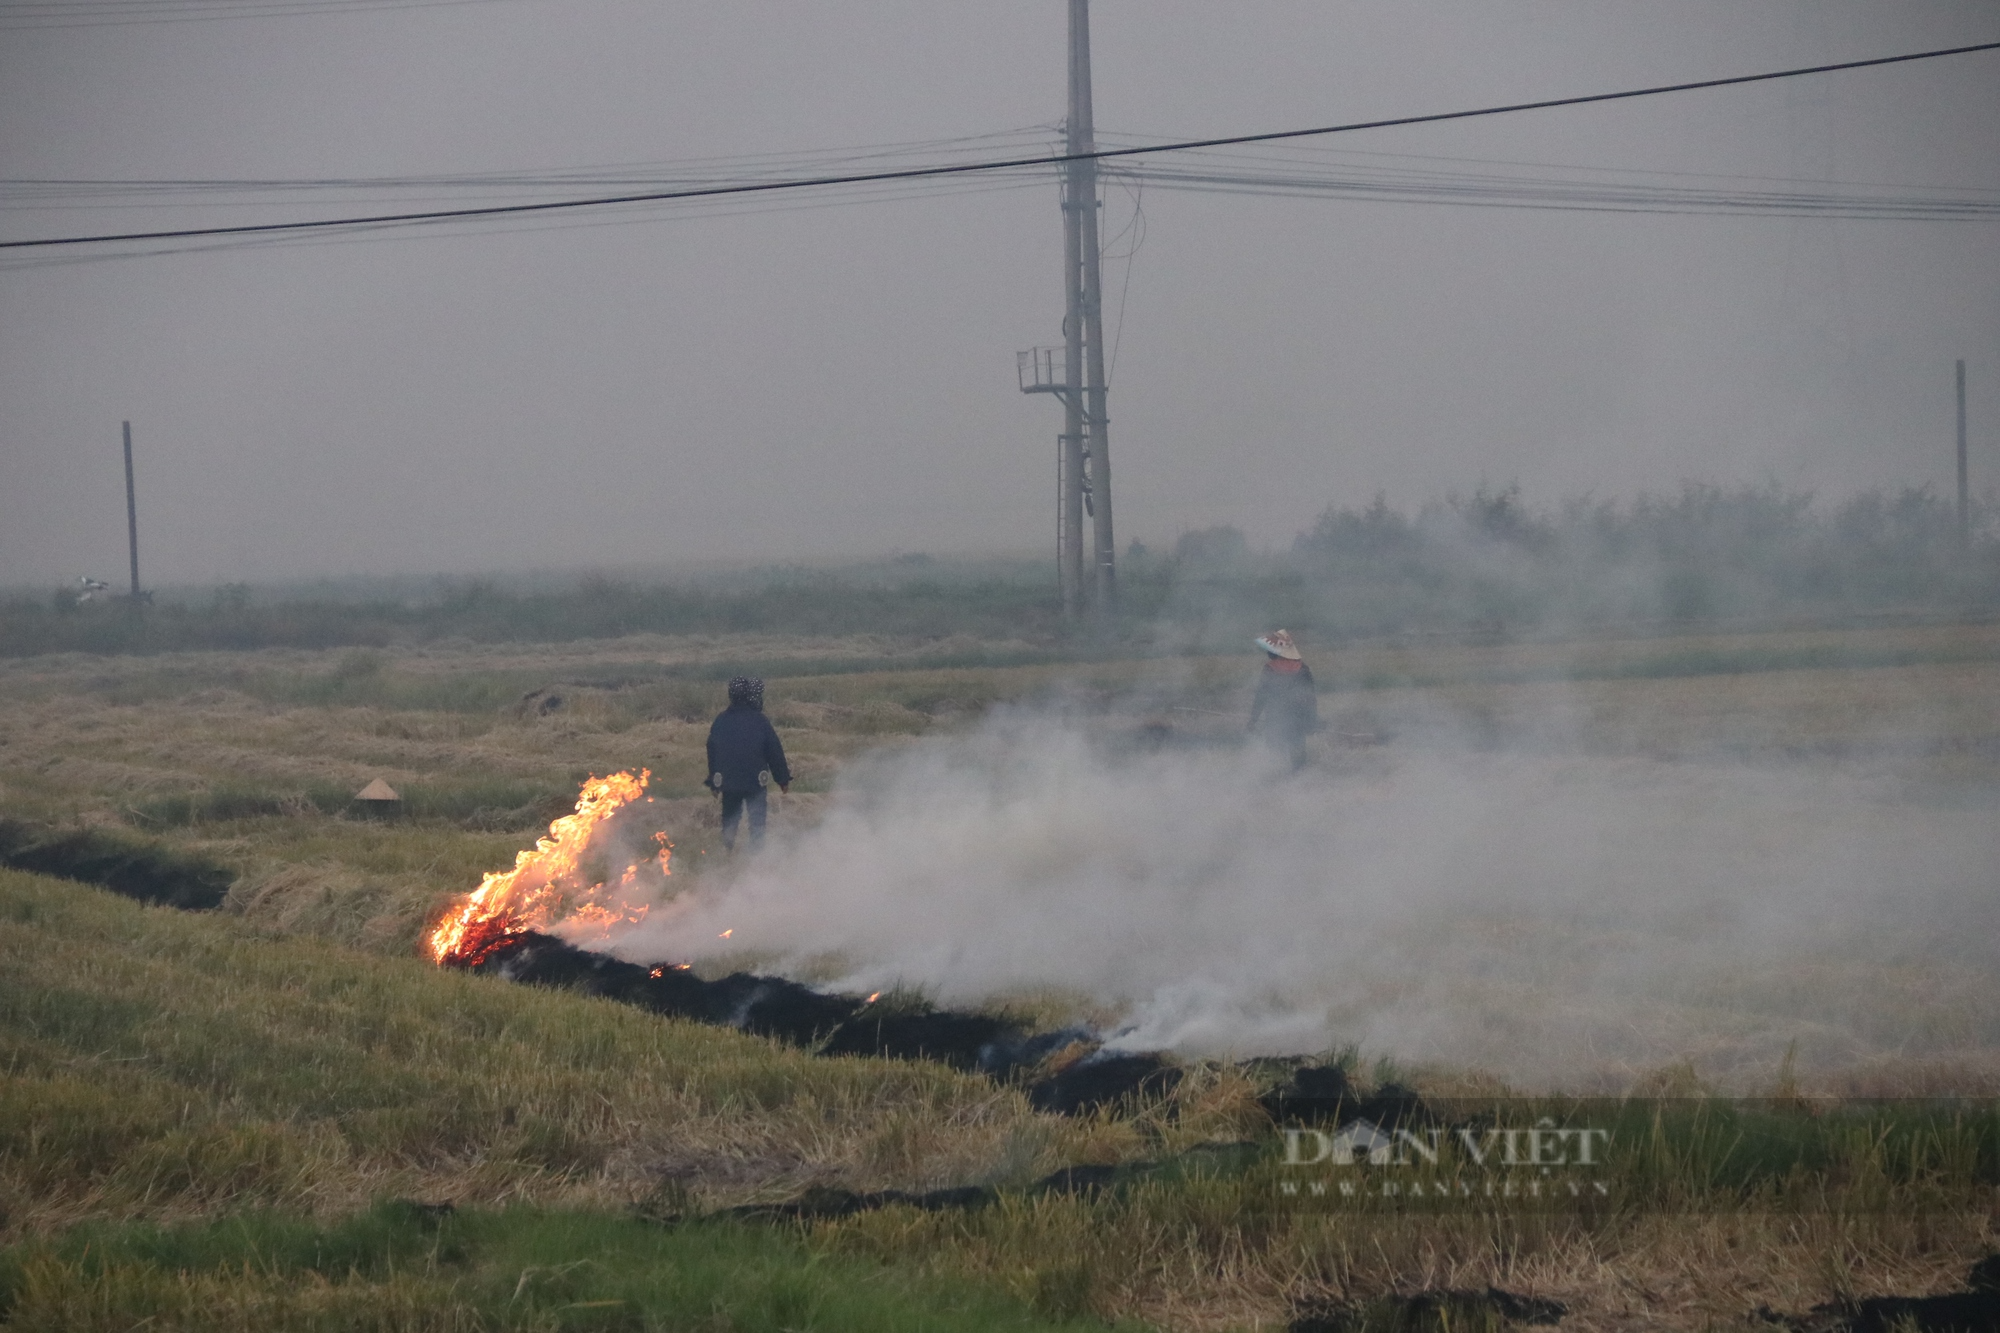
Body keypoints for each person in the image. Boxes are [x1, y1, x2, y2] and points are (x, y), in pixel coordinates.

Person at [706, 676, 791, 852]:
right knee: (757, 820)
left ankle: (726, 851)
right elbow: (774, 751)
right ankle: (756, 857)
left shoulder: (721, 720)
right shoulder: (760, 721)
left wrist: (715, 781)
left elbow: (712, 750)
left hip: (728, 781)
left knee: (730, 819)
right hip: (755, 781)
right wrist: (782, 779)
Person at [1247, 629, 1317, 770]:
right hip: (1299, 716)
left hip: (1276, 715)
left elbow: (1262, 695)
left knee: (1276, 748)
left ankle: (1281, 777)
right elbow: (1310, 697)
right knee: (1297, 749)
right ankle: (1299, 776)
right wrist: (1312, 719)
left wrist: (1253, 719)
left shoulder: (1270, 669)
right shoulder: (1303, 668)